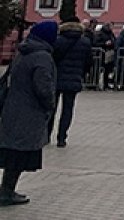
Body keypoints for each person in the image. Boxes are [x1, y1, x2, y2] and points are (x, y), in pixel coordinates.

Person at [0, 20, 58, 205]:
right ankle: (6, 192)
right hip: (29, 111)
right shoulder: (42, 57)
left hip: (13, 107)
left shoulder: (23, 52)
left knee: (13, 151)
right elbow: (43, 87)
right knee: (19, 153)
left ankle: (6, 190)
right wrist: (50, 104)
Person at [49, 17, 91, 148]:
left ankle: (46, 134)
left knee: (51, 107)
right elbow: (88, 62)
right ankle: (62, 138)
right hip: (74, 78)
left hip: (56, 78)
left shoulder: (57, 40)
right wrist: (82, 74)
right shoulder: (85, 42)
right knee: (68, 109)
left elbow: (52, 58)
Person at [93, 22, 116, 90]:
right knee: (99, 70)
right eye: (111, 26)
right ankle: (97, 84)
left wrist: (112, 44)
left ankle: (106, 84)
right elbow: (95, 43)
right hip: (102, 53)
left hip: (109, 53)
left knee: (107, 70)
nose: (112, 27)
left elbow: (114, 41)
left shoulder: (111, 33)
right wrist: (105, 44)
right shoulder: (100, 33)